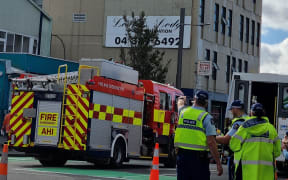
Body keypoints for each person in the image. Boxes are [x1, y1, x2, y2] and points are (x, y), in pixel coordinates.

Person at [174, 90, 223, 180]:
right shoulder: (206, 117)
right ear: (206, 103)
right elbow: (211, 142)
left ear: (194, 99)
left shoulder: (183, 112)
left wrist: (181, 98)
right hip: (199, 160)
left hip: (182, 157)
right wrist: (218, 163)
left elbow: (180, 104)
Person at [229, 103, 281, 180]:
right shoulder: (271, 129)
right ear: (263, 113)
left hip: (247, 172)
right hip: (266, 173)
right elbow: (277, 152)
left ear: (251, 113)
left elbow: (233, 145)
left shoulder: (244, 127)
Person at [216, 100, 247, 180]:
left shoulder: (239, 122)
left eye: (232, 109)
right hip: (247, 156)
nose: (231, 111)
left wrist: (211, 138)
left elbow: (226, 139)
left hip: (237, 156)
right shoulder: (249, 119)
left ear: (236, 109)